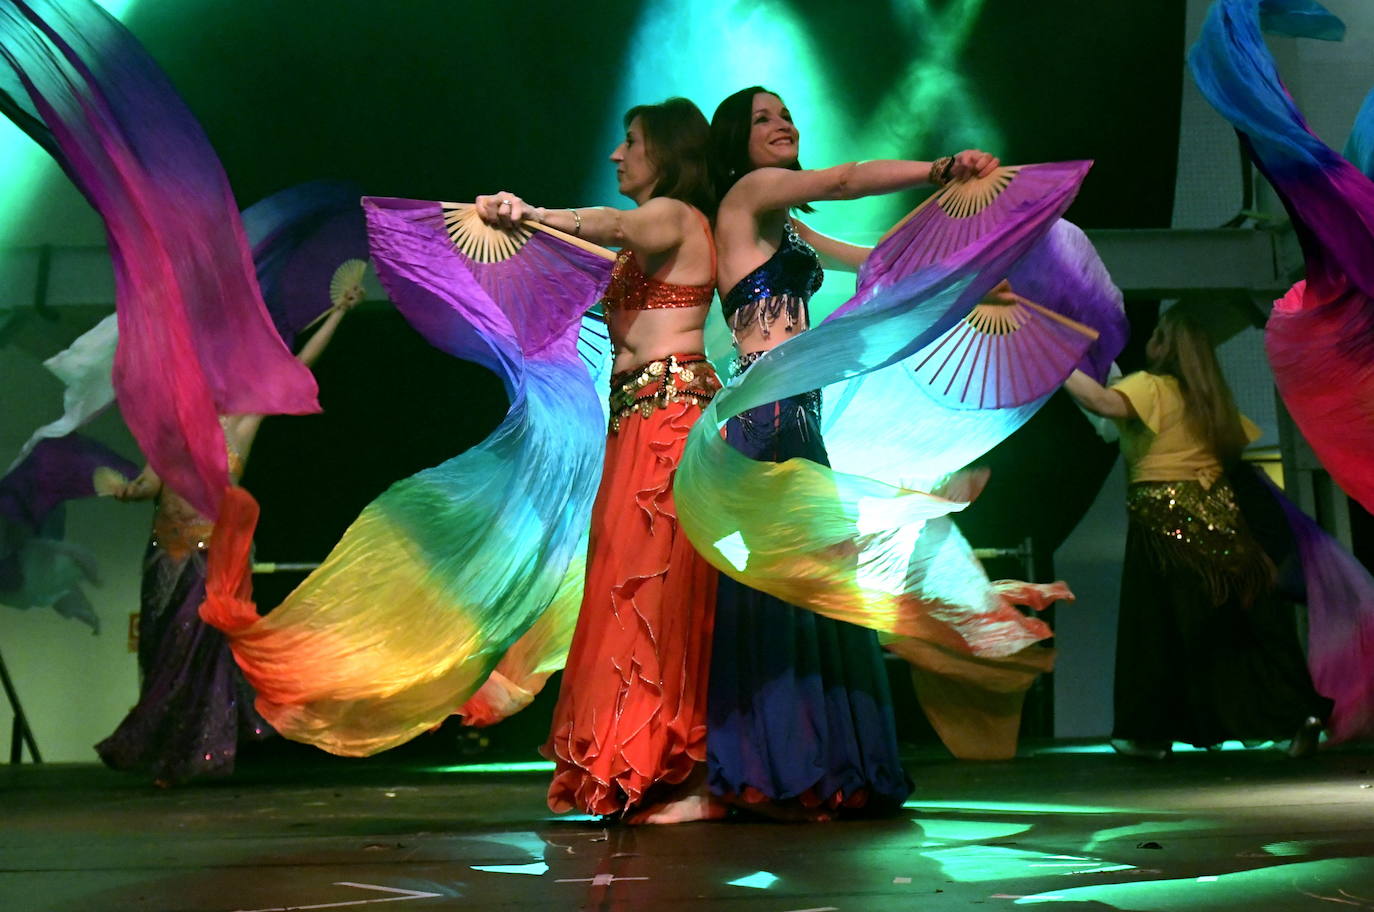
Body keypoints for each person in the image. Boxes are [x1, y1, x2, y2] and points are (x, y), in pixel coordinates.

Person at [705, 85, 999, 818]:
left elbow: (876, 264)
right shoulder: (745, 196)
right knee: (783, 584)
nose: (782, 126)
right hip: (767, 418)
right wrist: (938, 170)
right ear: (734, 143)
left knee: (819, 581)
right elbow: (841, 179)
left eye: (786, 115)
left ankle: (821, 758)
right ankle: (773, 762)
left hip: (798, 416)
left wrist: (967, 280)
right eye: (762, 119)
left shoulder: (789, 232)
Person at [475, 97, 724, 823]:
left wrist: (531, 211)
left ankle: (682, 774)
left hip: (672, 423)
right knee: (623, 592)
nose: (618, 154)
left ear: (668, 152)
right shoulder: (640, 240)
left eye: (632, 141)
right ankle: (633, 767)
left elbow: (611, 224)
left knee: (661, 597)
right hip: (635, 425)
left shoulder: (674, 216)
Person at [95, 294, 359, 785]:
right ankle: (169, 752)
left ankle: (193, 754)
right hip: (163, 555)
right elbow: (150, 485)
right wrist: (128, 492)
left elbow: (297, 366)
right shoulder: (170, 434)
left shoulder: (241, 424)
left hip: (210, 557)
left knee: (194, 652)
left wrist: (339, 312)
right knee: (162, 654)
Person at [1064, 306, 1331, 758]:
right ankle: (1296, 712)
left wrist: (1053, 361)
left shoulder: (1152, 386)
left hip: (1162, 521)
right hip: (1222, 518)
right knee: (1238, 624)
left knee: (1156, 629)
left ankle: (1150, 734)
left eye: (1156, 337)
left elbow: (1101, 402)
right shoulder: (1212, 398)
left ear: (1165, 347)